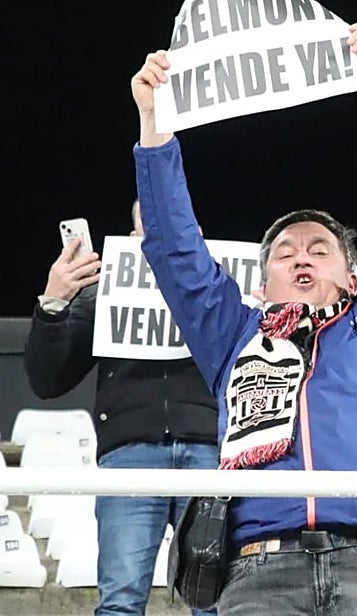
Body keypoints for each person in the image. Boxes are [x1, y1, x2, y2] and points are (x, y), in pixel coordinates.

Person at [128, 22, 357, 615]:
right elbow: (173, 247)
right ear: (260, 283)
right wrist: (154, 124)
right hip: (258, 571)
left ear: (353, 278)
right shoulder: (233, 334)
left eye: (320, 249)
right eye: (285, 251)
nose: (301, 255)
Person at [24, 201, 219, 616]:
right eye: (150, 227)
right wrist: (55, 301)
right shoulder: (105, 294)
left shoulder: (226, 294)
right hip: (130, 455)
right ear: (133, 241)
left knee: (216, 602)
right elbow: (48, 381)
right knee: (121, 603)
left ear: (199, 235)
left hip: (209, 451)